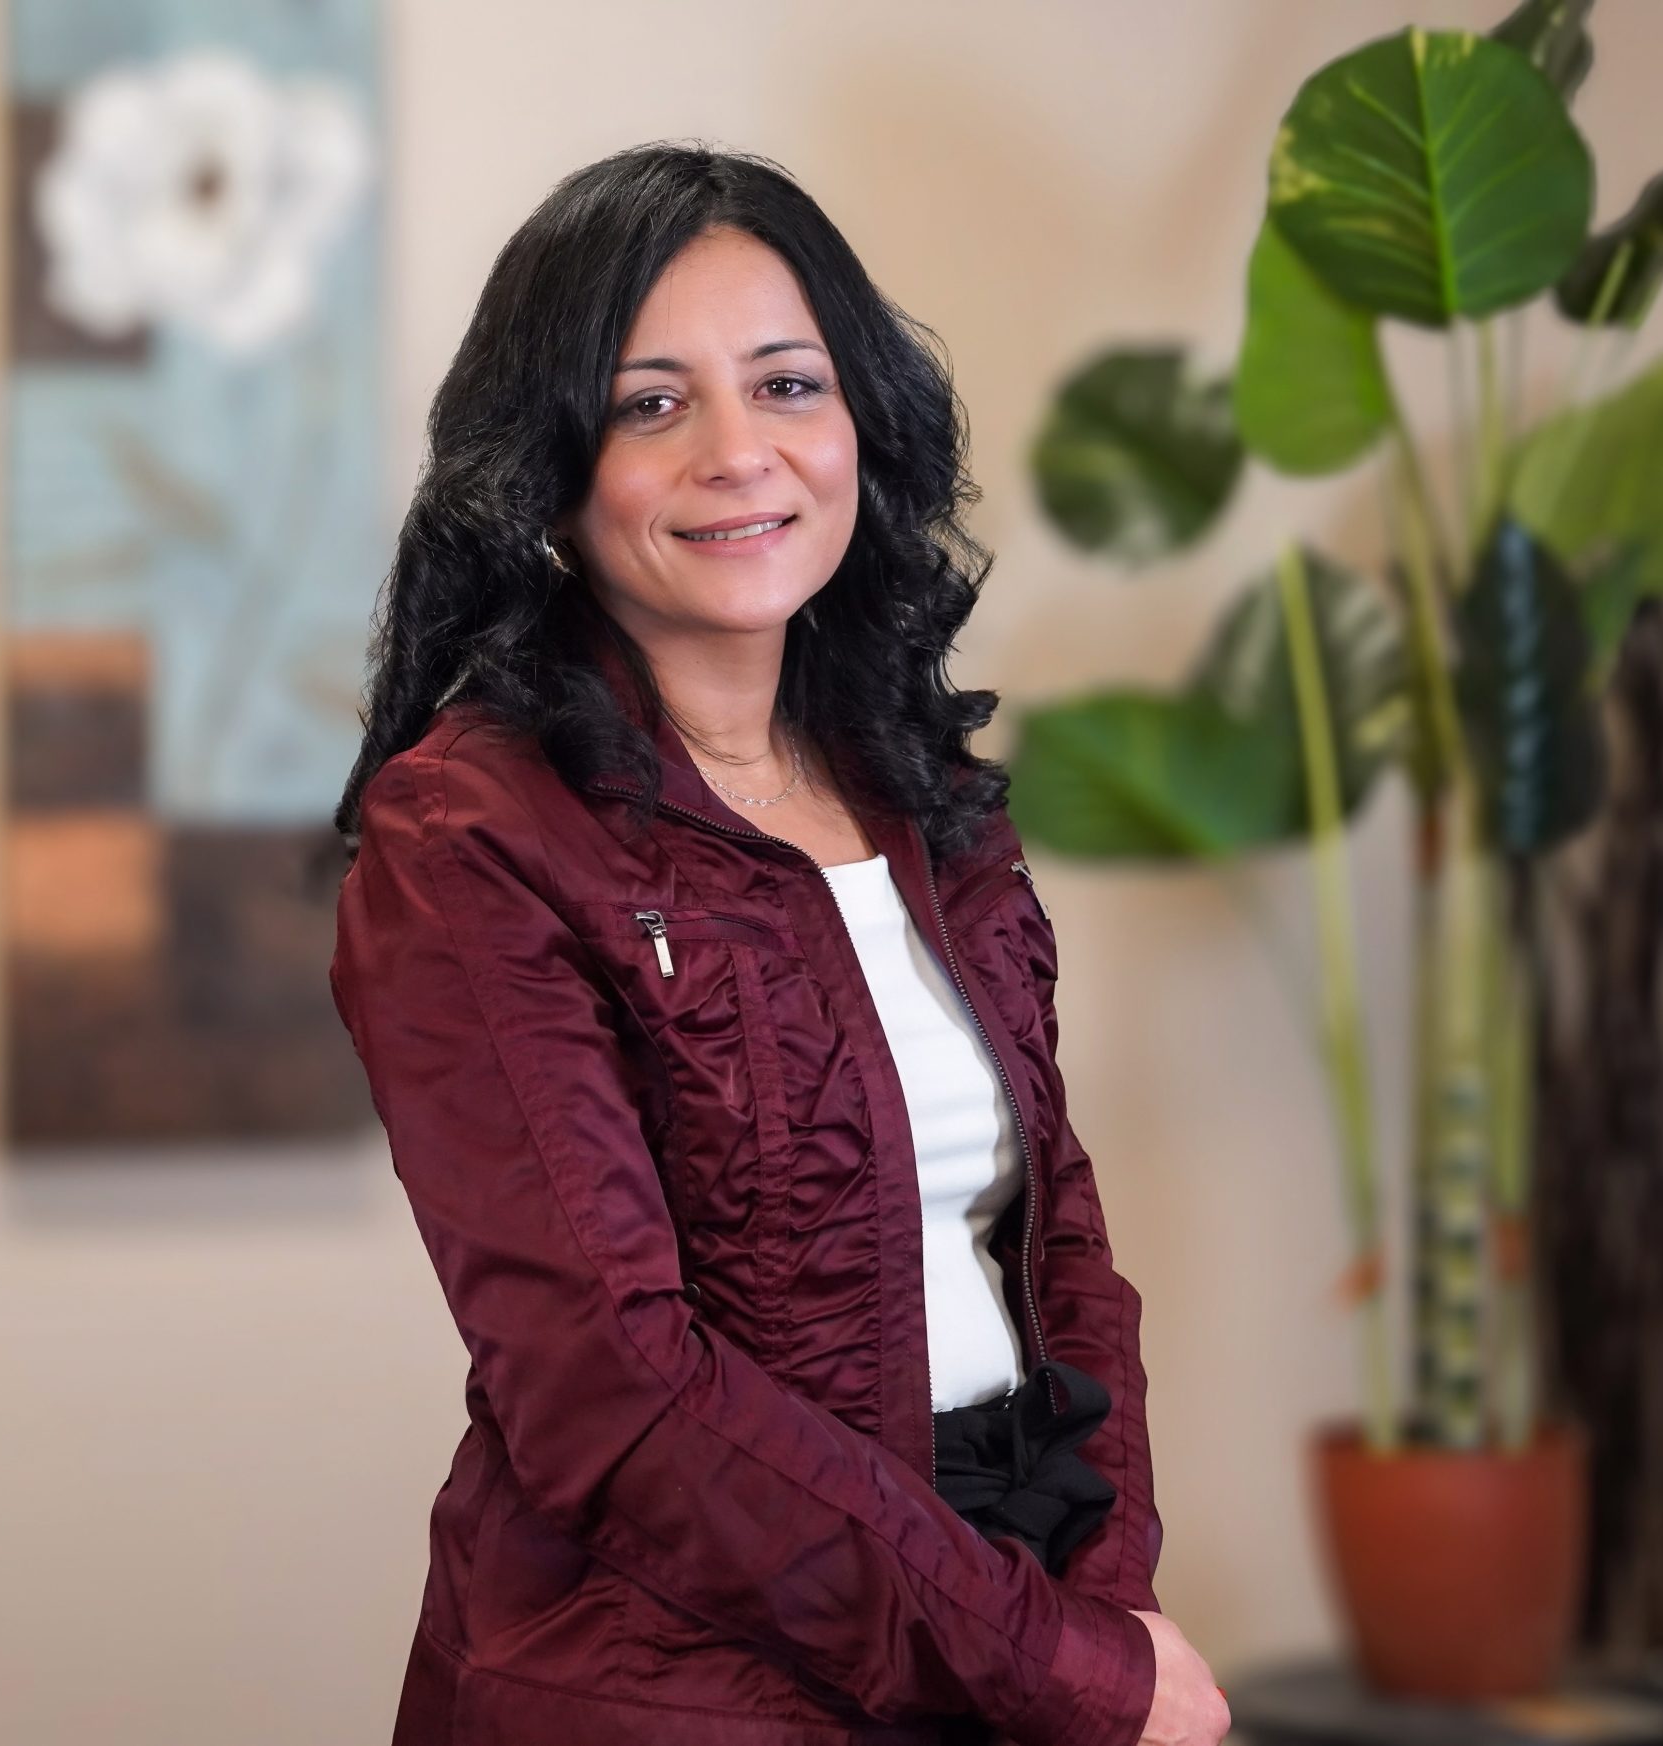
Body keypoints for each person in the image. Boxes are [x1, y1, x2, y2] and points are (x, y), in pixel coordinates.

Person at [329, 142, 1229, 1746]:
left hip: (991, 1601)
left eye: (788, 384)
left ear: (862, 424)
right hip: (671, 1672)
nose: (740, 454)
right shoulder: (468, 833)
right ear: (547, 466)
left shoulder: (918, 785)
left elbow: (1056, 1228)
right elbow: (618, 1389)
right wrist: (1058, 1665)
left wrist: (1106, 1596)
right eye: (652, 403)